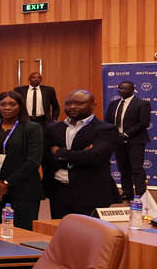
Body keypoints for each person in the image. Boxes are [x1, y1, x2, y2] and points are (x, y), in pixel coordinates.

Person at [42, 89, 119, 219]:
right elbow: (44, 156)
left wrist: (59, 152)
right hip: (59, 191)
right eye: (68, 103)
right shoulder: (52, 128)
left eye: (79, 103)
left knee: (89, 230)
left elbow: (95, 157)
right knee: (60, 228)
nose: (72, 107)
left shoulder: (106, 129)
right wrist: (81, 154)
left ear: (93, 105)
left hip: (91, 192)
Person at [0, 90, 43, 227]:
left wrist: (5, 183)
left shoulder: (32, 128)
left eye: (12, 104)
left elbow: (33, 161)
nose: (7, 108)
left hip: (23, 188)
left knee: (22, 229)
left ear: (20, 106)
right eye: (3, 104)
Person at [108, 79, 150, 201]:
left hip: (135, 141)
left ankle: (141, 194)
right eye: (119, 88)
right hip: (118, 141)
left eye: (124, 88)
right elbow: (108, 121)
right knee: (123, 168)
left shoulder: (142, 104)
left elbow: (143, 123)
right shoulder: (114, 104)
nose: (121, 90)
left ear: (132, 89)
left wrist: (126, 134)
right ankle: (127, 192)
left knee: (136, 168)